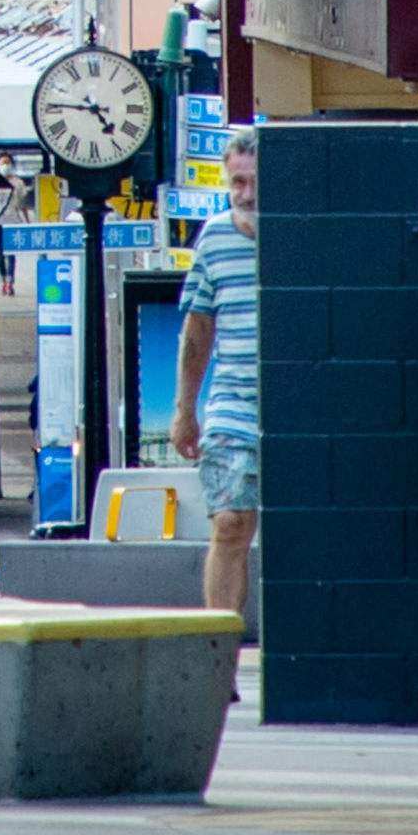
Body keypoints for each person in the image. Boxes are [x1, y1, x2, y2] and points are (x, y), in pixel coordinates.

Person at [171, 129, 261, 622]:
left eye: (256, 184)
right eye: (238, 183)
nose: (246, 195)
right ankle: (218, 648)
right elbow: (198, 327)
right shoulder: (215, 235)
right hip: (234, 402)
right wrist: (185, 409)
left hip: (300, 404)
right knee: (230, 522)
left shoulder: (308, 231)